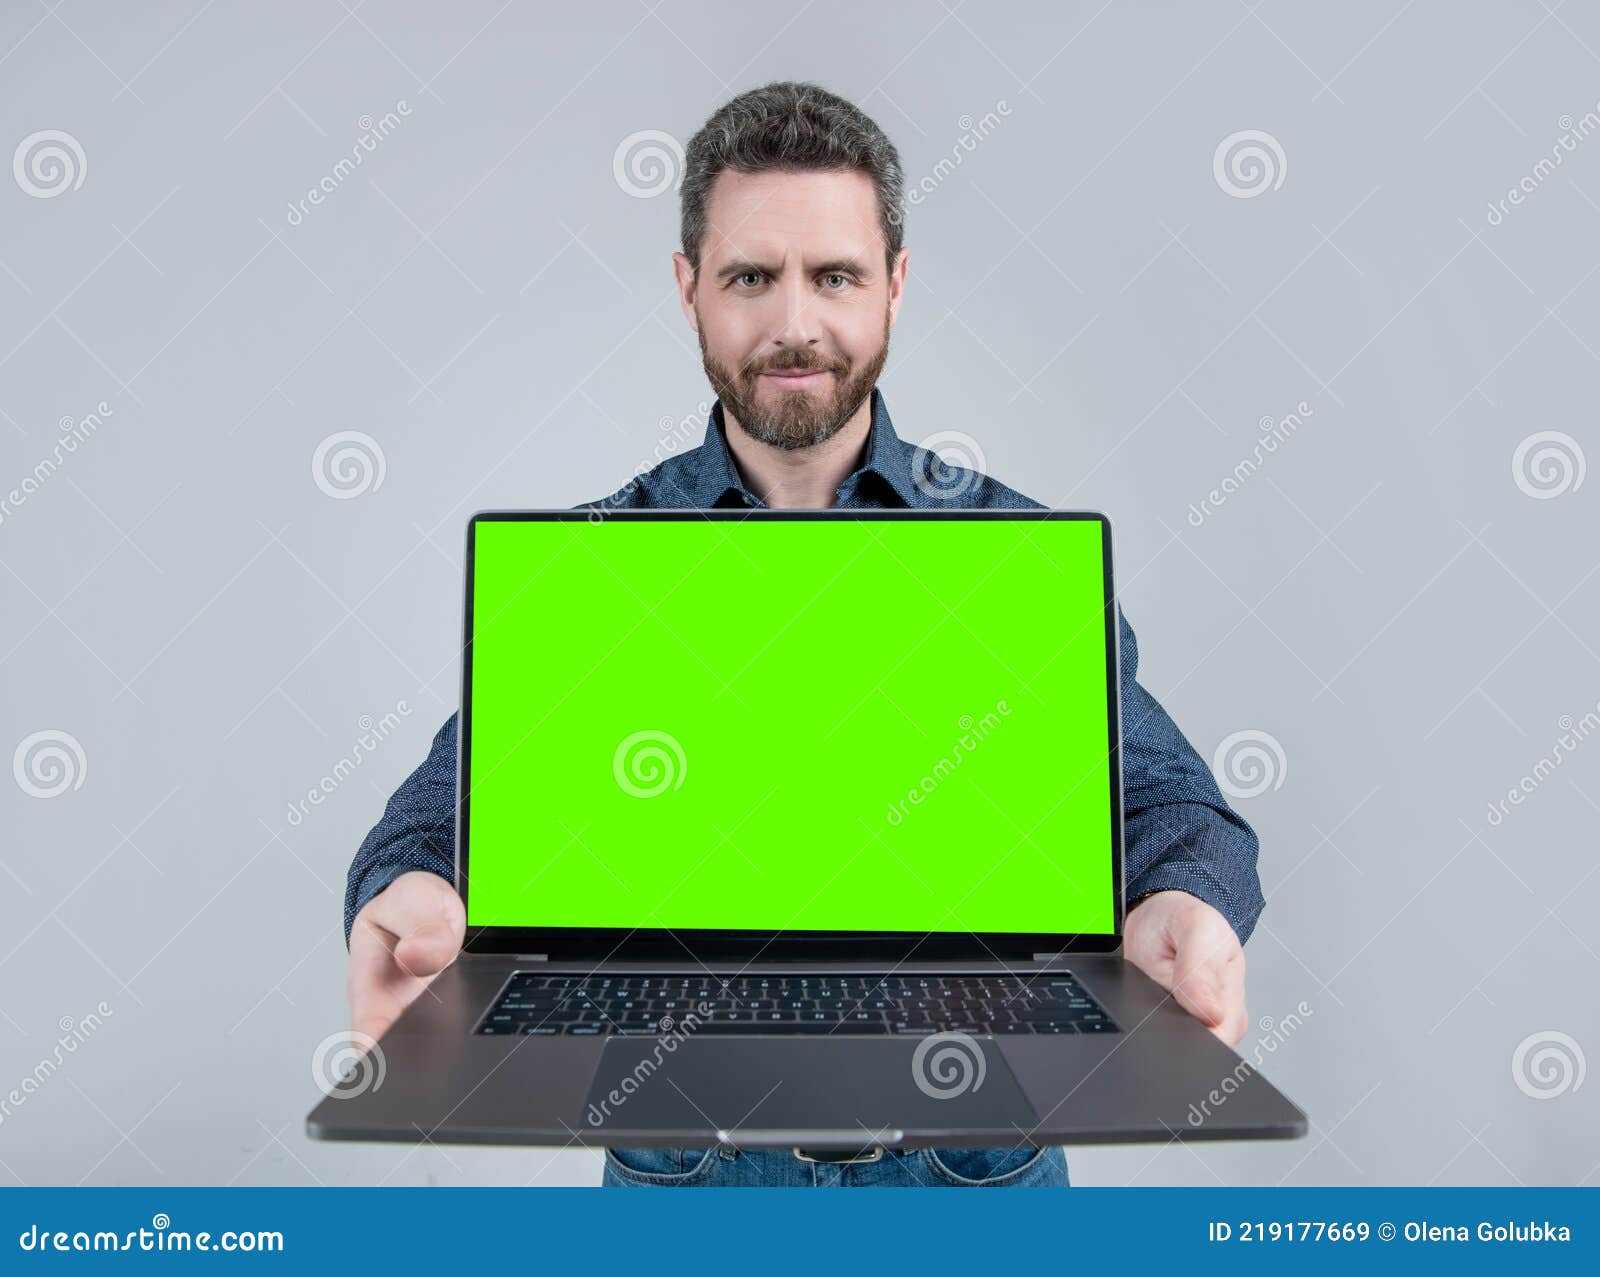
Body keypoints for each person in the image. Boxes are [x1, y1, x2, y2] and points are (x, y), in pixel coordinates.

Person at [344, 81, 1262, 1188]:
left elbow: (1167, 801)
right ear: (688, 287)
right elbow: (452, 807)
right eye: (749, 277)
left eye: (834, 275)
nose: (793, 325)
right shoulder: (598, 560)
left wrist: (1185, 899)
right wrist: (407, 890)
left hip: (972, 1168)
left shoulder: (1012, 553)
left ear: (895, 284)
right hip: (688, 1171)